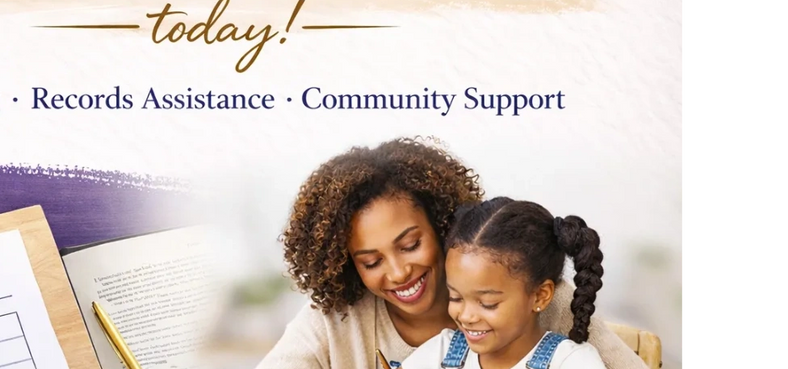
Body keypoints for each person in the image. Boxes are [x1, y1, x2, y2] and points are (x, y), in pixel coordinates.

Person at [254, 138, 645, 369]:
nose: (398, 272)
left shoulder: (543, 301)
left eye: (410, 245)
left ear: (442, 227)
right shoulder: (340, 319)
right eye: (370, 261)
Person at [398, 197, 606, 369]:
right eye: (455, 297)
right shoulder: (440, 353)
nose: (466, 316)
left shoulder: (571, 362)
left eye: (488, 303)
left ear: (540, 296)